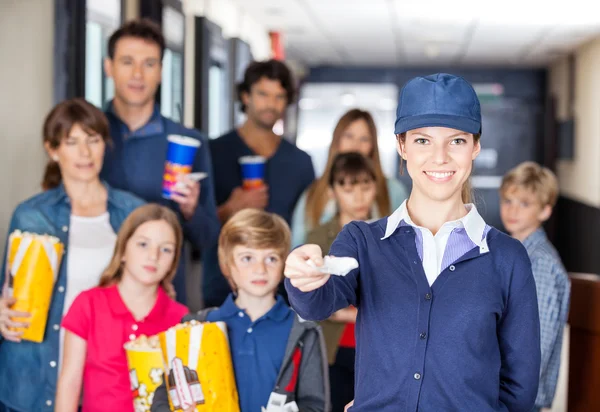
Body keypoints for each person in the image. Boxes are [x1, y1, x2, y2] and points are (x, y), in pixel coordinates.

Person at [284, 73, 541, 411]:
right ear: (401, 146)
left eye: (457, 141)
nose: (440, 157)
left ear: (475, 146)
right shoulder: (363, 242)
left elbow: (519, 387)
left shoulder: (507, 259)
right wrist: (303, 277)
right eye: (422, 141)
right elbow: (317, 302)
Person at [0, 98, 145, 412]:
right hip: (34, 374)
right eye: (72, 142)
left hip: (108, 371)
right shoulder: (31, 215)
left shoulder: (132, 212)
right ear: (53, 150)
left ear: (105, 145)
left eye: (93, 140)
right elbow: (7, 292)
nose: (85, 153)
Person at [152, 209, 329, 412]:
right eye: (247, 258)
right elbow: (165, 395)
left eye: (271, 258)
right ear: (227, 265)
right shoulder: (197, 326)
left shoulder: (303, 331)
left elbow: (316, 404)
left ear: (284, 264)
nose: (260, 269)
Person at [101, 18, 220, 304]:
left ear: (162, 72)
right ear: (109, 67)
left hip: (163, 297)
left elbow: (208, 238)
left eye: (150, 63)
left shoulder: (188, 143)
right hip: (96, 289)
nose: (138, 74)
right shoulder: (89, 136)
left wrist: (191, 210)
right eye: (127, 61)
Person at [55, 204, 189, 412]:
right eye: (143, 244)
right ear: (123, 250)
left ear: (173, 262)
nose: (154, 256)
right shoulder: (88, 304)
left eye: (166, 249)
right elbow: (69, 382)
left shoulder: (181, 319)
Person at [204, 59, 315, 307]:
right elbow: (196, 229)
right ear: (245, 96)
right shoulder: (213, 153)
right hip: (222, 290)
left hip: (285, 293)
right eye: (263, 94)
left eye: (279, 96)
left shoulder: (300, 162)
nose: (271, 104)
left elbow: (310, 227)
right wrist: (228, 210)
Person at [306, 152, 377, 412]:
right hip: (334, 348)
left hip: (377, 348)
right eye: (347, 188)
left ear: (376, 187)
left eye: (365, 186)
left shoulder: (389, 232)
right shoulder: (318, 238)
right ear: (333, 191)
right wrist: (367, 311)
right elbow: (322, 303)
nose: (358, 197)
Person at [499, 161, 571, 412]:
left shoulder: (539, 263)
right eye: (508, 201)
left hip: (518, 395)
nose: (512, 210)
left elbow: (537, 342)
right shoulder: (513, 251)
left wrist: (510, 392)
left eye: (525, 204)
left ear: (545, 211)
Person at [291, 108, 408, 248]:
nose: (355, 145)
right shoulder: (314, 193)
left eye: (364, 139)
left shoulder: (393, 190)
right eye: (349, 136)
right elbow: (297, 246)